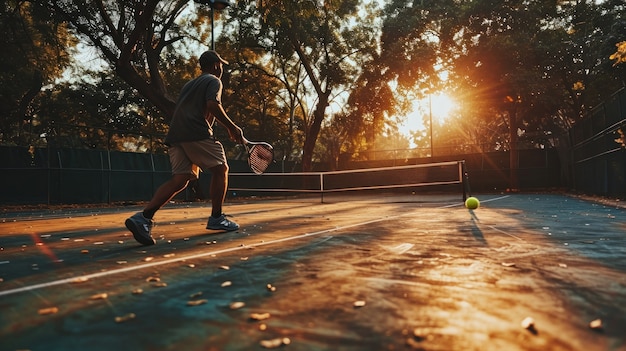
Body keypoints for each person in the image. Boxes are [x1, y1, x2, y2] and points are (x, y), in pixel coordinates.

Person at [125, 50, 244, 246]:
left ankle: (143, 217)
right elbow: (213, 105)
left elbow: (203, 111)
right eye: (221, 65)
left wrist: (214, 127)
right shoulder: (214, 81)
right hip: (193, 131)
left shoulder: (191, 84)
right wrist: (232, 127)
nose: (221, 68)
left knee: (181, 179)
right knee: (221, 169)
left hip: (175, 135)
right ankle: (217, 217)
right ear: (216, 65)